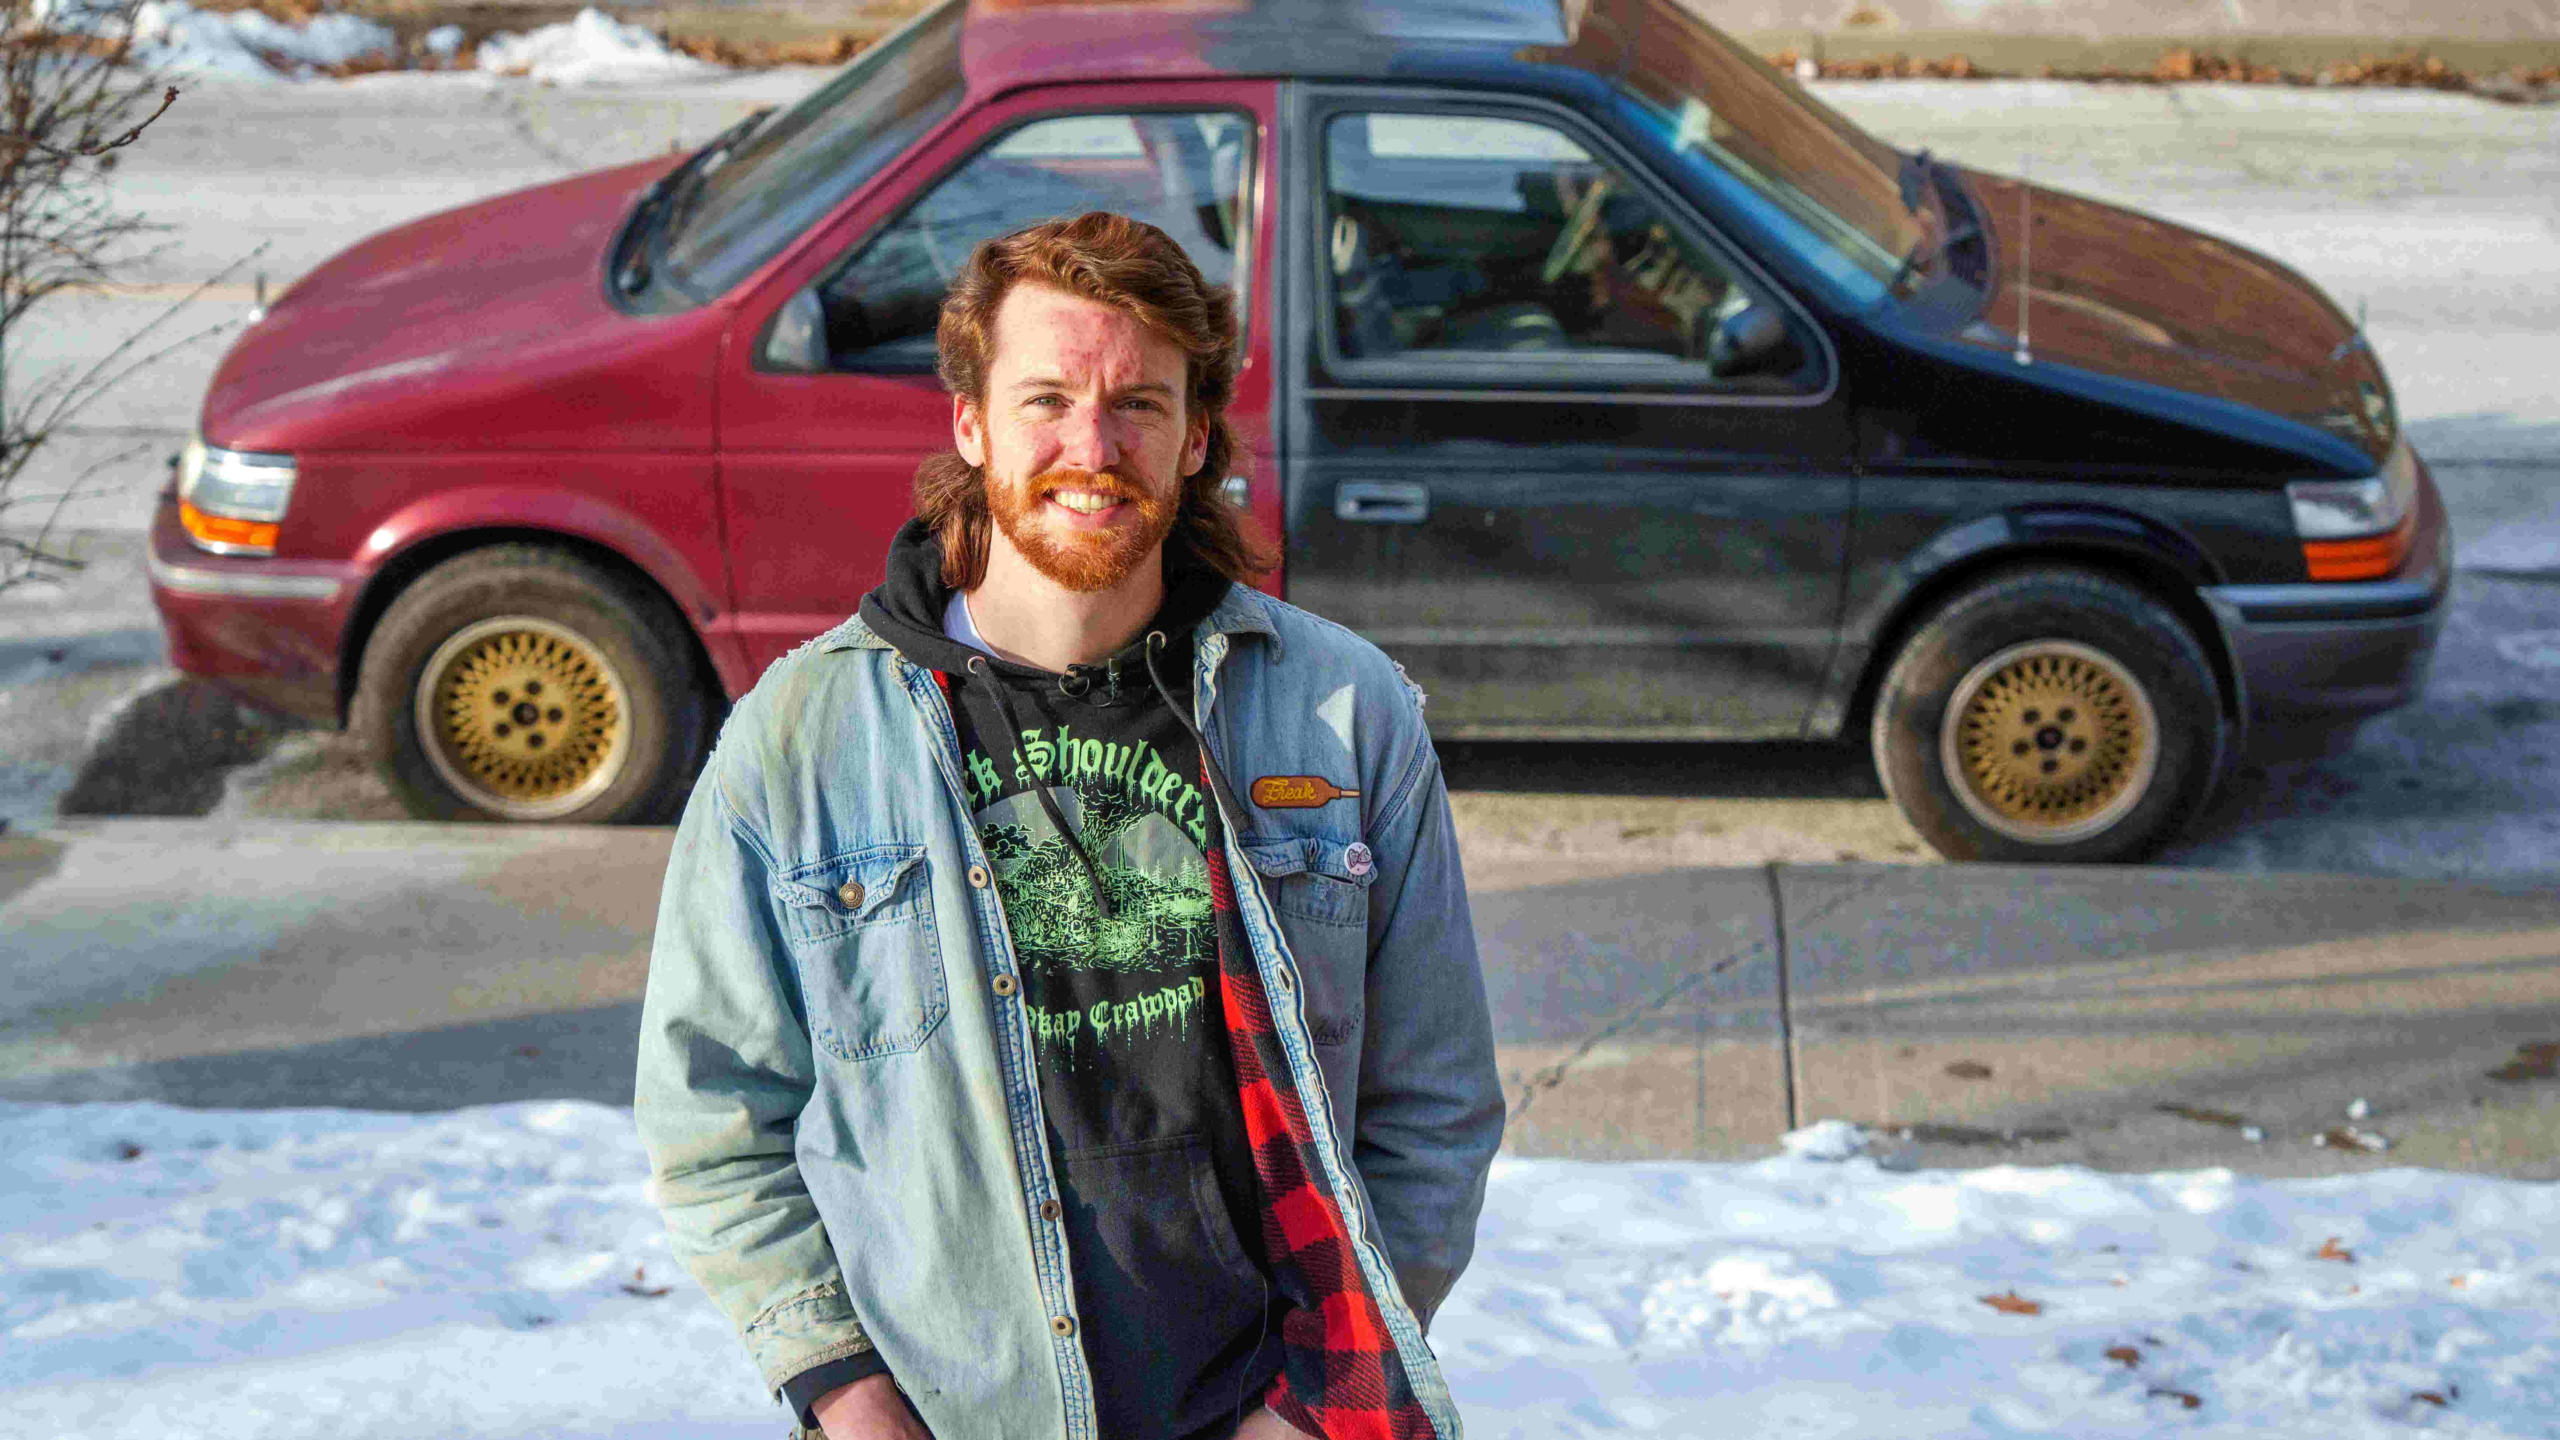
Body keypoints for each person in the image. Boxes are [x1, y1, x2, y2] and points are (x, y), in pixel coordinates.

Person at [635, 210, 1504, 1440]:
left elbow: (1434, 1111)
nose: (1091, 447)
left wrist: (1314, 1411)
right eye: (1046, 399)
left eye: (1137, 404)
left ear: (1194, 437)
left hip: (1268, 1411)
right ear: (971, 424)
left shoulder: (1338, 711)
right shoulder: (800, 739)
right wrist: (845, 1394)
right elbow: (711, 1121)